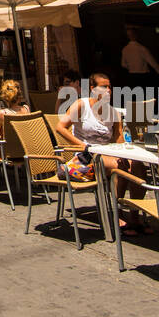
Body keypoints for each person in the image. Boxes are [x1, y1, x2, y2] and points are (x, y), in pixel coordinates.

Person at [54, 72, 138, 215]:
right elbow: (60, 127)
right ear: (93, 89)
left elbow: (119, 139)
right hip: (85, 157)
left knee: (137, 166)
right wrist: (81, 145)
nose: (109, 90)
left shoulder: (113, 112)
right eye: (104, 87)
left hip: (107, 154)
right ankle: (117, 214)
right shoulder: (82, 105)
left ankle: (135, 216)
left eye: (109, 87)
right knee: (120, 168)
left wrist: (125, 154)